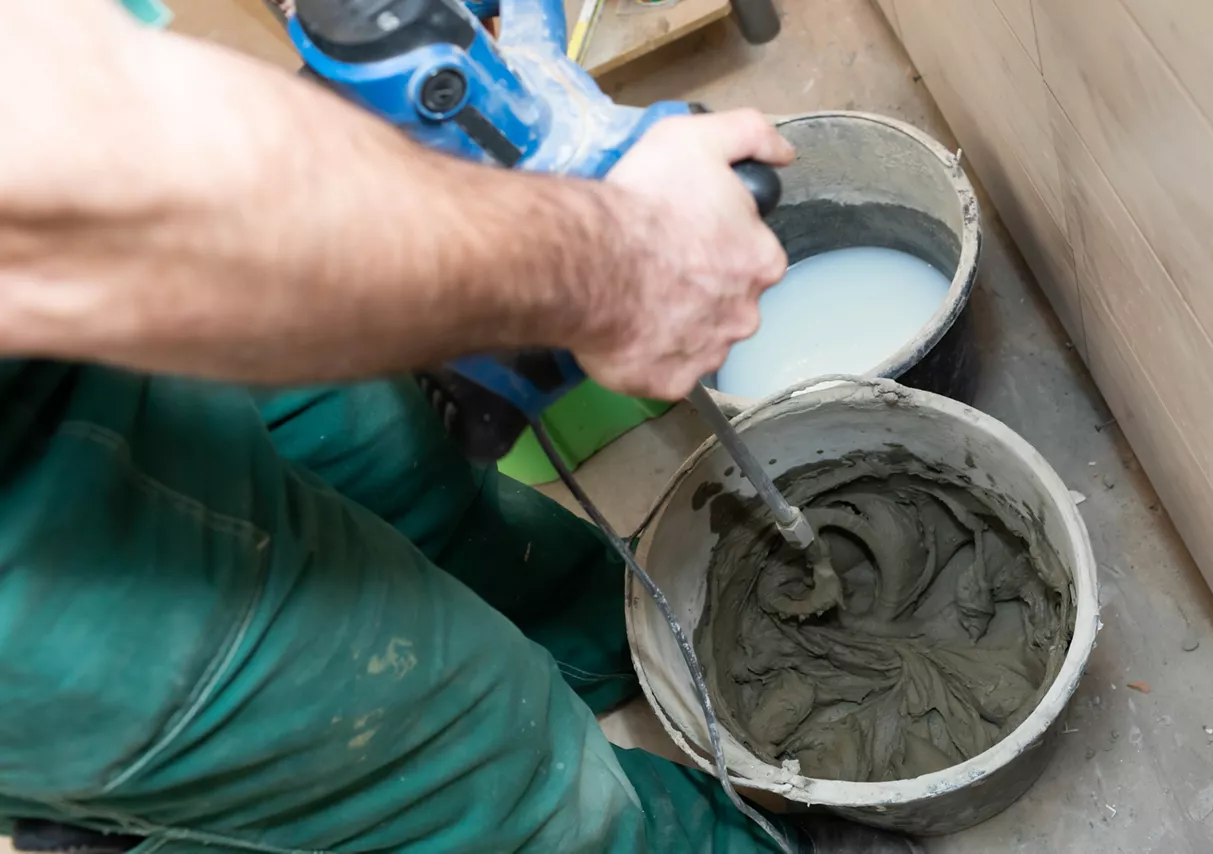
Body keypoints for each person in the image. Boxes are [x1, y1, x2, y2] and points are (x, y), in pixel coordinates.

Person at [0, 2, 921, 853]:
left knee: (389, 450)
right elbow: (49, 204)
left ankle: (610, 645)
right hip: (33, 549)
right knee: (480, 755)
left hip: (118, 198)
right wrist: (611, 262)